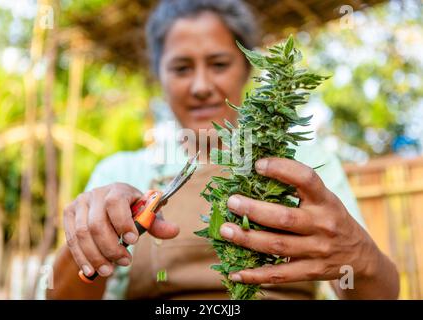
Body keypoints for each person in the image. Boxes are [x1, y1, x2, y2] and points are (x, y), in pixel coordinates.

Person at [46, 0, 399, 300]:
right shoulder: (122, 172)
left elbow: (379, 291)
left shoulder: (304, 161)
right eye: (181, 68)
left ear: (247, 68)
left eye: (219, 64)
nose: (201, 86)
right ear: (160, 76)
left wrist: (359, 257)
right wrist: (87, 248)